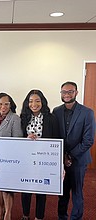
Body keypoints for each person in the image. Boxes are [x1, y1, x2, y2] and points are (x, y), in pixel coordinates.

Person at [53, 81, 95, 220]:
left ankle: (76, 218)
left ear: (76, 92)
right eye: (64, 92)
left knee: (77, 193)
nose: (67, 94)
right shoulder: (56, 111)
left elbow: (88, 140)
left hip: (79, 160)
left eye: (70, 91)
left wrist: (70, 156)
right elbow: (56, 136)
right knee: (62, 193)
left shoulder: (87, 113)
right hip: (61, 160)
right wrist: (62, 156)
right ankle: (62, 216)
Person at [20, 89, 59, 220]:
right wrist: (26, 137)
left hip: (44, 159)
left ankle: (39, 217)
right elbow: (18, 138)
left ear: (42, 102)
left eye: (37, 101)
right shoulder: (23, 118)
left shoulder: (51, 118)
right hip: (26, 159)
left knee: (41, 190)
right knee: (26, 189)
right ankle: (25, 215)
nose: (34, 104)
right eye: (30, 101)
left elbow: (57, 139)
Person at [0, 92, 23, 220]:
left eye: (6, 104)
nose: (3, 107)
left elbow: (18, 139)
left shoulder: (15, 118)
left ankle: (8, 213)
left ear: (11, 105)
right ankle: (1, 209)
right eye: (0, 104)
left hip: (8, 158)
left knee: (7, 187)